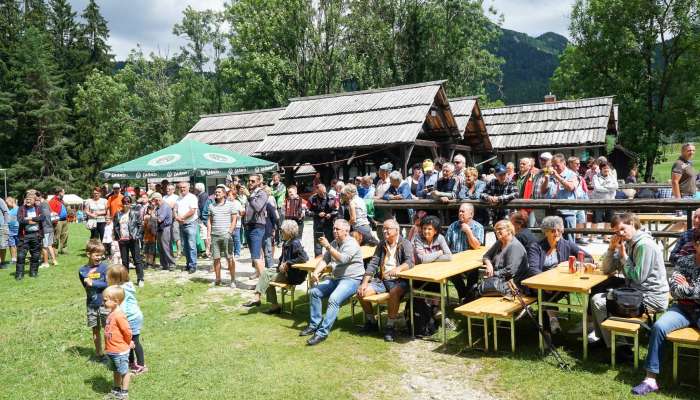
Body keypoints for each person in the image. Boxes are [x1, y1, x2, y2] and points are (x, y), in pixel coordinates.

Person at [631, 230, 700, 395]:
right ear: (696, 244)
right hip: (682, 308)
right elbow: (674, 289)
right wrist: (690, 289)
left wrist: (687, 287)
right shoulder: (684, 261)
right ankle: (650, 379)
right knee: (659, 326)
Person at [591, 213, 669, 350]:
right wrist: (611, 248)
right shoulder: (627, 242)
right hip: (636, 292)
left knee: (599, 302)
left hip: (652, 297)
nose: (620, 234)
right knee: (597, 296)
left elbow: (638, 277)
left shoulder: (644, 245)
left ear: (632, 224)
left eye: (622, 229)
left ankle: (620, 347)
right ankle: (605, 338)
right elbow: (607, 269)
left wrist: (623, 256)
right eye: (616, 232)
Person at [301, 219, 364, 346]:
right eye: (334, 228)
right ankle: (314, 324)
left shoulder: (351, 244)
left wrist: (328, 247)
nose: (334, 231)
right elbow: (325, 259)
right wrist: (316, 272)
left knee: (334, 299)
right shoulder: (335, 242)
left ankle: (322, 333)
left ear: (346, 231)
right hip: (337, 279)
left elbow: (342, 259)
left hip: (352, 279)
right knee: (314, 292)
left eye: (337, 229)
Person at [527, 216, 591, 331]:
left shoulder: (566, 244)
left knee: (547, 295)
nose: (556, 233)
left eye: (559, 230)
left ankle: (550, 323)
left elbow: (587, 257)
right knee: (544, 291)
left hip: (562, 284)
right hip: (540, 283)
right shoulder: (536, 247)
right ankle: (550, 324)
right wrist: (546, 283)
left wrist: (578, 264)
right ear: (545, 232)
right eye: (552, 231)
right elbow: (533, 269)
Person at [357, 219, 413, 341]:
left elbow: (410, 262)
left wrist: (398, 269)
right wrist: (364, 282)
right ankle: (372, 322)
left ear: (396, 230)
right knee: (361, 292)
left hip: (400, 280)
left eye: (388, 228)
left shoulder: (405, 243)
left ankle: (390, 326)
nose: (385, 231)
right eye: (384, 228)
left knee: (393, 292)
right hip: (382, 280)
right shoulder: (381, 244)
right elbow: (373, 263)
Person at [244, 220, 309, 312]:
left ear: (289, 232)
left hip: (293, 275)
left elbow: (304, 258)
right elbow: (282, 258)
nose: (281, 232)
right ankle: (262, 300)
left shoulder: (295, 243)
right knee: (265, 273)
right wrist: (280, 266)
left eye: (283, 231)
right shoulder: (287, 242)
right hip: (285, 272)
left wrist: (288, 263)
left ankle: (261, 300)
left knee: (266, 279)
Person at [106, 264, 147, 375]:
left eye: (109, 277)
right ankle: (131, 362)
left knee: (134, 340)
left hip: (132, 318)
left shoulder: (121, 291)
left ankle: (141, 365)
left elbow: (121, 307)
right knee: (127, 340)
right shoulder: (126, 285)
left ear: (115, 279)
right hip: (132, 317)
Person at [445, 203, 484, 302]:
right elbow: (446, 246)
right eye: (459, 211)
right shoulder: (453, 226)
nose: (460, 213)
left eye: (463, 211)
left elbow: (476, 246)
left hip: (471, 263)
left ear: (471, 214)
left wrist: (468, 231)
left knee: (473, 273)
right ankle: (466, 297)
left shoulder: (478, 227)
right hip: (455, 262)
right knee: (451, 272)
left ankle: (467, 298)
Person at [480, 220, 530, 295]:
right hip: (498, 281)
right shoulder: (500, 242)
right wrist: (489, 264)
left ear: (509, 230)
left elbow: (510, 271)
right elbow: (486, 256)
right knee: (476, 290)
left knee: (478, 291)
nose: (497, 231)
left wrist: (494, 273)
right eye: (495, 230)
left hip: (512, 285)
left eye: (500, 229)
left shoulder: (514, 246)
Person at [102, 285, 133, 400]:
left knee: (124, 372)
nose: (103, 302)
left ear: (115, 301)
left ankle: (124, 393)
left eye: (105, 300)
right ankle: (116, 389)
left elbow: (127, 332)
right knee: (116, 371)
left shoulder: (119, 315)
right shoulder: (111, 313)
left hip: (120, 352)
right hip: (112, 351)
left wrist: (129, 342)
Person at [79, 239, 109, 357]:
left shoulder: (104, 268)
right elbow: (86, 286)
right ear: (88, 254)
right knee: (95, 330)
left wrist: (94, 283)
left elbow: (108, 284)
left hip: (105, 304)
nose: (99, 258)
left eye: (101, 255)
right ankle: (99, 353)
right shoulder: (82, 271)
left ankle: (110, 352)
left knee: (108, 329)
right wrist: (90, 284)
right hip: (91, 305)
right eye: (96, 255)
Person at [541, 153, 578, 242]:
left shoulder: (572, 174)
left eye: (557, 165)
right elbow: (543, 191)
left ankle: (569, 255)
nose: (555, 168)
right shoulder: (550, 174)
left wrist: (557, 176)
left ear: (564, 163)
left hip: (567, 212)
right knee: (552, 239)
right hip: (551, 211)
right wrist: (546, 179)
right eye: (553, 166)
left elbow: (570, 187)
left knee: (568, 239)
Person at [207, 184, 238, 288]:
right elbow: (210, 222)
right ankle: (218, 279)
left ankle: (233, 280)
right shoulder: (211, 206)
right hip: (215, 235)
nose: (216, 194)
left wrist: (229, 232)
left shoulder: (230, 205)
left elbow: (234, 219)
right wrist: (209, 235)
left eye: (219, 192)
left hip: (226, 235)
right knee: (216, 258)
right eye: (215, 192)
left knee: (229, 258)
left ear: (224, 194)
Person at [112, 196, 145, 286]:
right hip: (122, 240)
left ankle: (140, 279)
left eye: (128, 202)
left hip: (133, 239)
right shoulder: (118, 214)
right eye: (124, 202)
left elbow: (140, 226)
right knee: (124, 261)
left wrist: (136, 235)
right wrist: (118, 237)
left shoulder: (135, 213)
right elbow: (116, 226)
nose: (126, 204)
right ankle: (125, 279)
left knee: (137, 260)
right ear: (122, 204)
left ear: (130, 203)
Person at [244, 174, 269, 278]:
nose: (250, 183)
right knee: (255, 254)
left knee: (255, 256)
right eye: (249, 181)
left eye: (253, 181)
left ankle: (264, 280)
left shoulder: (262, 193)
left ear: (259, 182)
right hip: (249, 226)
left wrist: (249, 197)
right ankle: (258, 273)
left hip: (257, 227)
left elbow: (258, 208)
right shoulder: (251, 193)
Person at [15, 191, 44, 279]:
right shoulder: (21, 208)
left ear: (34, 200)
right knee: (21, 255)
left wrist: (30, 219)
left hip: (36, 235)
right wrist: (31, 221)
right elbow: (20, 220)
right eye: (26, 199)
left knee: (35, 255)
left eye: (30, 199)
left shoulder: (39, 208)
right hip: (24, 236)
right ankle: (19, 274)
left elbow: (42, 218)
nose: (28, 200)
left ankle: (33, 272)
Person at [307, 183, 338, 257]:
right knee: (318, 244)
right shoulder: (312, 198)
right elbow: (307, 212)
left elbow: (337, 210)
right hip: (318, 224)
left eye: (324, 192)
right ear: (317, 191)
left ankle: (333, 259)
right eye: (321, 193)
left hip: (329, 224)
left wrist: (330, 214)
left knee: (331, 243)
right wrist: (317, 214)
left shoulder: (332, 198)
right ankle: (318, 261)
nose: (323, 194)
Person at [174, 182, 199, 274]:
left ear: (188, 187)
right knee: (185, 245)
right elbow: (175, 210)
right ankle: (188, 264)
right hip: (181, 223)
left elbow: (192, 210)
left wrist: (182, 218)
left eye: (184, 187)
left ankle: (193, 265)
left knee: (191, 245)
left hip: (191, 223)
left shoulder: (192, 197)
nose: (182, 189)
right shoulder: (178, 198)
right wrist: (176, 217)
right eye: (180, 187)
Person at [591, 161, 619, 243]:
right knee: (595, 219)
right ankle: (591, 236)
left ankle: (606, 237)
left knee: (608, 220)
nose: (606, 169)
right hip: (598, 201)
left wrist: (604, 186)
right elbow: (597, 188)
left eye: (607, 168)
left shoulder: (612, 176)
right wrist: (609, 188)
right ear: (601, 169)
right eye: (604, 168)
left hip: (610, 200)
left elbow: (616, 186)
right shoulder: (596, 176)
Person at [151, 193, 176, 271]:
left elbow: (160, 219)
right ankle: (163, 264)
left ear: (158, 199)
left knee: (166, 247)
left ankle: (172, 264)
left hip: (165, 228)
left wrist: (152, 215)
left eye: (153, 200)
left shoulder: (165, 206)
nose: (153, 202)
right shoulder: (158, 207)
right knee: (160, 248)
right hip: (160, 229)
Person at [36, 192, 57, 268]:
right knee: (49, 245)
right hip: (50, 227)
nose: (35, 198)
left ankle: (46, 263)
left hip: (45, 228)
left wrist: (37, 218)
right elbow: (51, 213)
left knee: (44, 246)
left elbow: (44, 216)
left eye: (36, 197)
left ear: (40, 196)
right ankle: (54, 261)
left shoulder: (43, 204)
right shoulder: (47, 203)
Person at [49, 187, 69, 255]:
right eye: (63, 192)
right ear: (60, 193)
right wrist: (54, 221)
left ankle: (64, 250)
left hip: (65, 220)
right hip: (58, 221)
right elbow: (51, 211)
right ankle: (55, 252)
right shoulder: (53, 200)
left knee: (65, 235)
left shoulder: (61, 200)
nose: (64, 193)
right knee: (56, 237)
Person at [194, 182, 211, 258]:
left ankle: (207, 251)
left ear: (198, 189)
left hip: (203, 219)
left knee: (205, 235)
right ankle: (208, 251)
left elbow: (203, 208)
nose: (194, 190)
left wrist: (202, 218)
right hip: (203, 218)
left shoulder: (202, 196)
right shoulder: (203, 195)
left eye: (195, 189)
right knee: (205, 235)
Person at [227, 185, 244, 258]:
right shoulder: (226, 203)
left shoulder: (237, 203)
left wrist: (238, 216)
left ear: (234, 196)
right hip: (228, 224)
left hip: (236, 224)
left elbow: (242, 212)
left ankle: (237, 252)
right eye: (228, 195)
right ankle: (230, 252)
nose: (229, 197)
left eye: (230, 195)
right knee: (229, 239)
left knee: (236, 239)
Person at [270, 172, 286, 246]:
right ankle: (277, 240)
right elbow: (269, 192)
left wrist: (271, 192)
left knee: (280, 224)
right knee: (275, 225)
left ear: (279, 178)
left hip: (280, 207)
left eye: (276, 178)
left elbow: (277, 193)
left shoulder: (282, 186)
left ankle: (283, 240)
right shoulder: (272, 186)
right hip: (273, 207)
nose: (274, 180)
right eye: (273, 178)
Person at [142, 201, 157, 269]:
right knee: (146, 251)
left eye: (151, 209)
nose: (149, 211)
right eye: (148, 209)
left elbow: (154, 228)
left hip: (152, 237)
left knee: (151, 251)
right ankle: (147, 262)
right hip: (146, 236)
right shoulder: (145, 217)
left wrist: (152, 217)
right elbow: (143, 227)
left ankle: (151, 263)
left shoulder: (154, 217)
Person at [6, 196, 18, 266]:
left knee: (19, 244)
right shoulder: (8, 210)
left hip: (17, 229)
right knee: (11, 245)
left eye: (7, 203)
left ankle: (20, 258)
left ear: (11, 201)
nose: (6, 204)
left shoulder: (18, 209)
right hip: (10, 230)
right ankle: (13, 259)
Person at [0, 195, 9, 268]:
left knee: (3, 245)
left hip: (1, 226)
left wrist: (5, 224)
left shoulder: (0, 200)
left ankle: (2, 262)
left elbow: (6, 212)